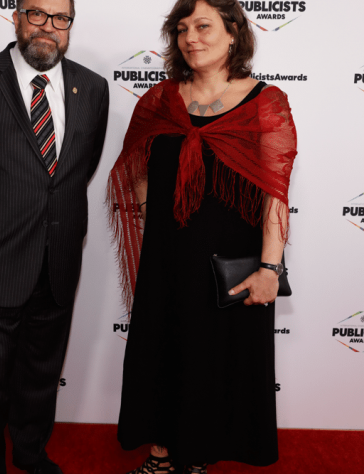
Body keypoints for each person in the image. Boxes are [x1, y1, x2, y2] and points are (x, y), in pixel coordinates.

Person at [107, 0, 297, 473]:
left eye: (203, 26)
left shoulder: (265, 102)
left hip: (229, 265)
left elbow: (276, 192)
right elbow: (138, 170)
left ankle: (196, 457)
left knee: (212, 359)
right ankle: (159, 456)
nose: (191, 37)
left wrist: (270, 268)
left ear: (234, 33)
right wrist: (157, 224)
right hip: (167, 259)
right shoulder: (158, 100)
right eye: (182, 28)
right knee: (160, 352)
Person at [0, 0, 109, 472]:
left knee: (40, 378)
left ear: (71, 25)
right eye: (36, 13)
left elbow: (77, 171)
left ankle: (31, 456)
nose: (48, 27)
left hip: (58, 261)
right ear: (15, 17)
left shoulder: (92, 88)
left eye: (61, 18)